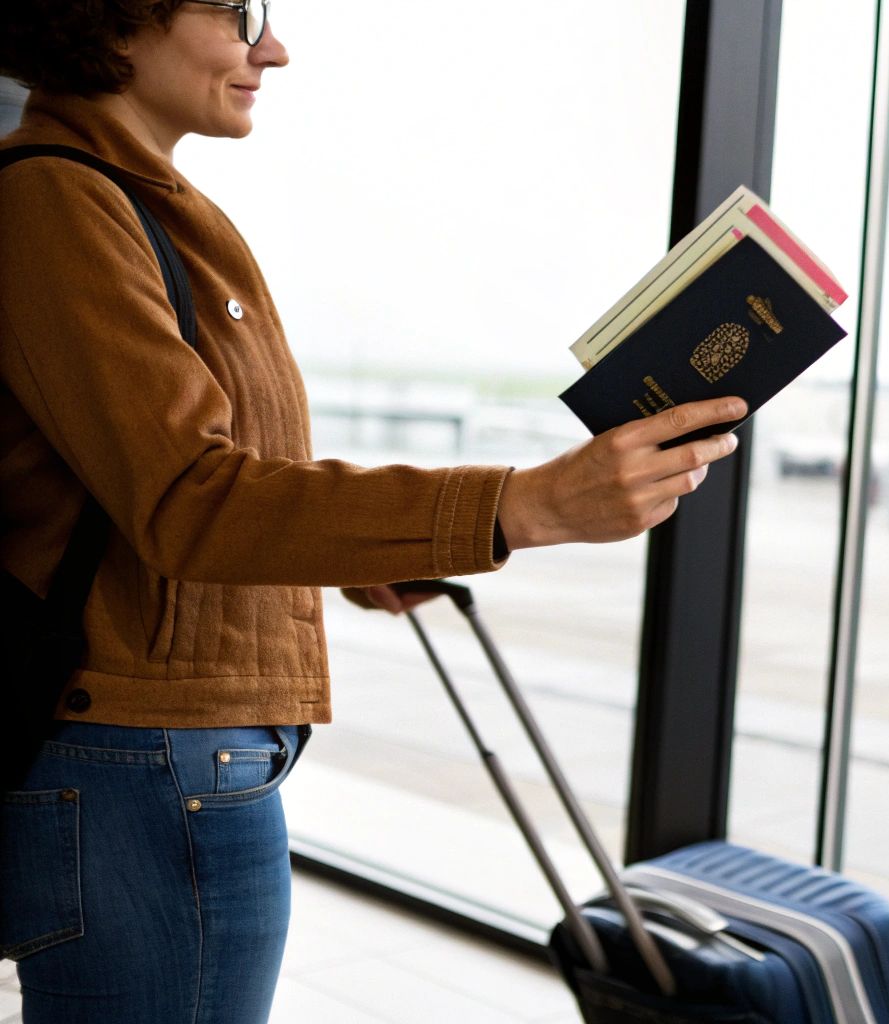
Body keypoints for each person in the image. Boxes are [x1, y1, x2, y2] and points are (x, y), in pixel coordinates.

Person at [0, 3, 743, 1020]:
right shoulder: (58, 205)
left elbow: (158, 479)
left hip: (168, 752)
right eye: (237, 14)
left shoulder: (138, 206)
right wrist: (524, 503)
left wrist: (353, 556)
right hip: (148, 757)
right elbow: (190, 501)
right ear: (117, 24)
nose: (274, 50)